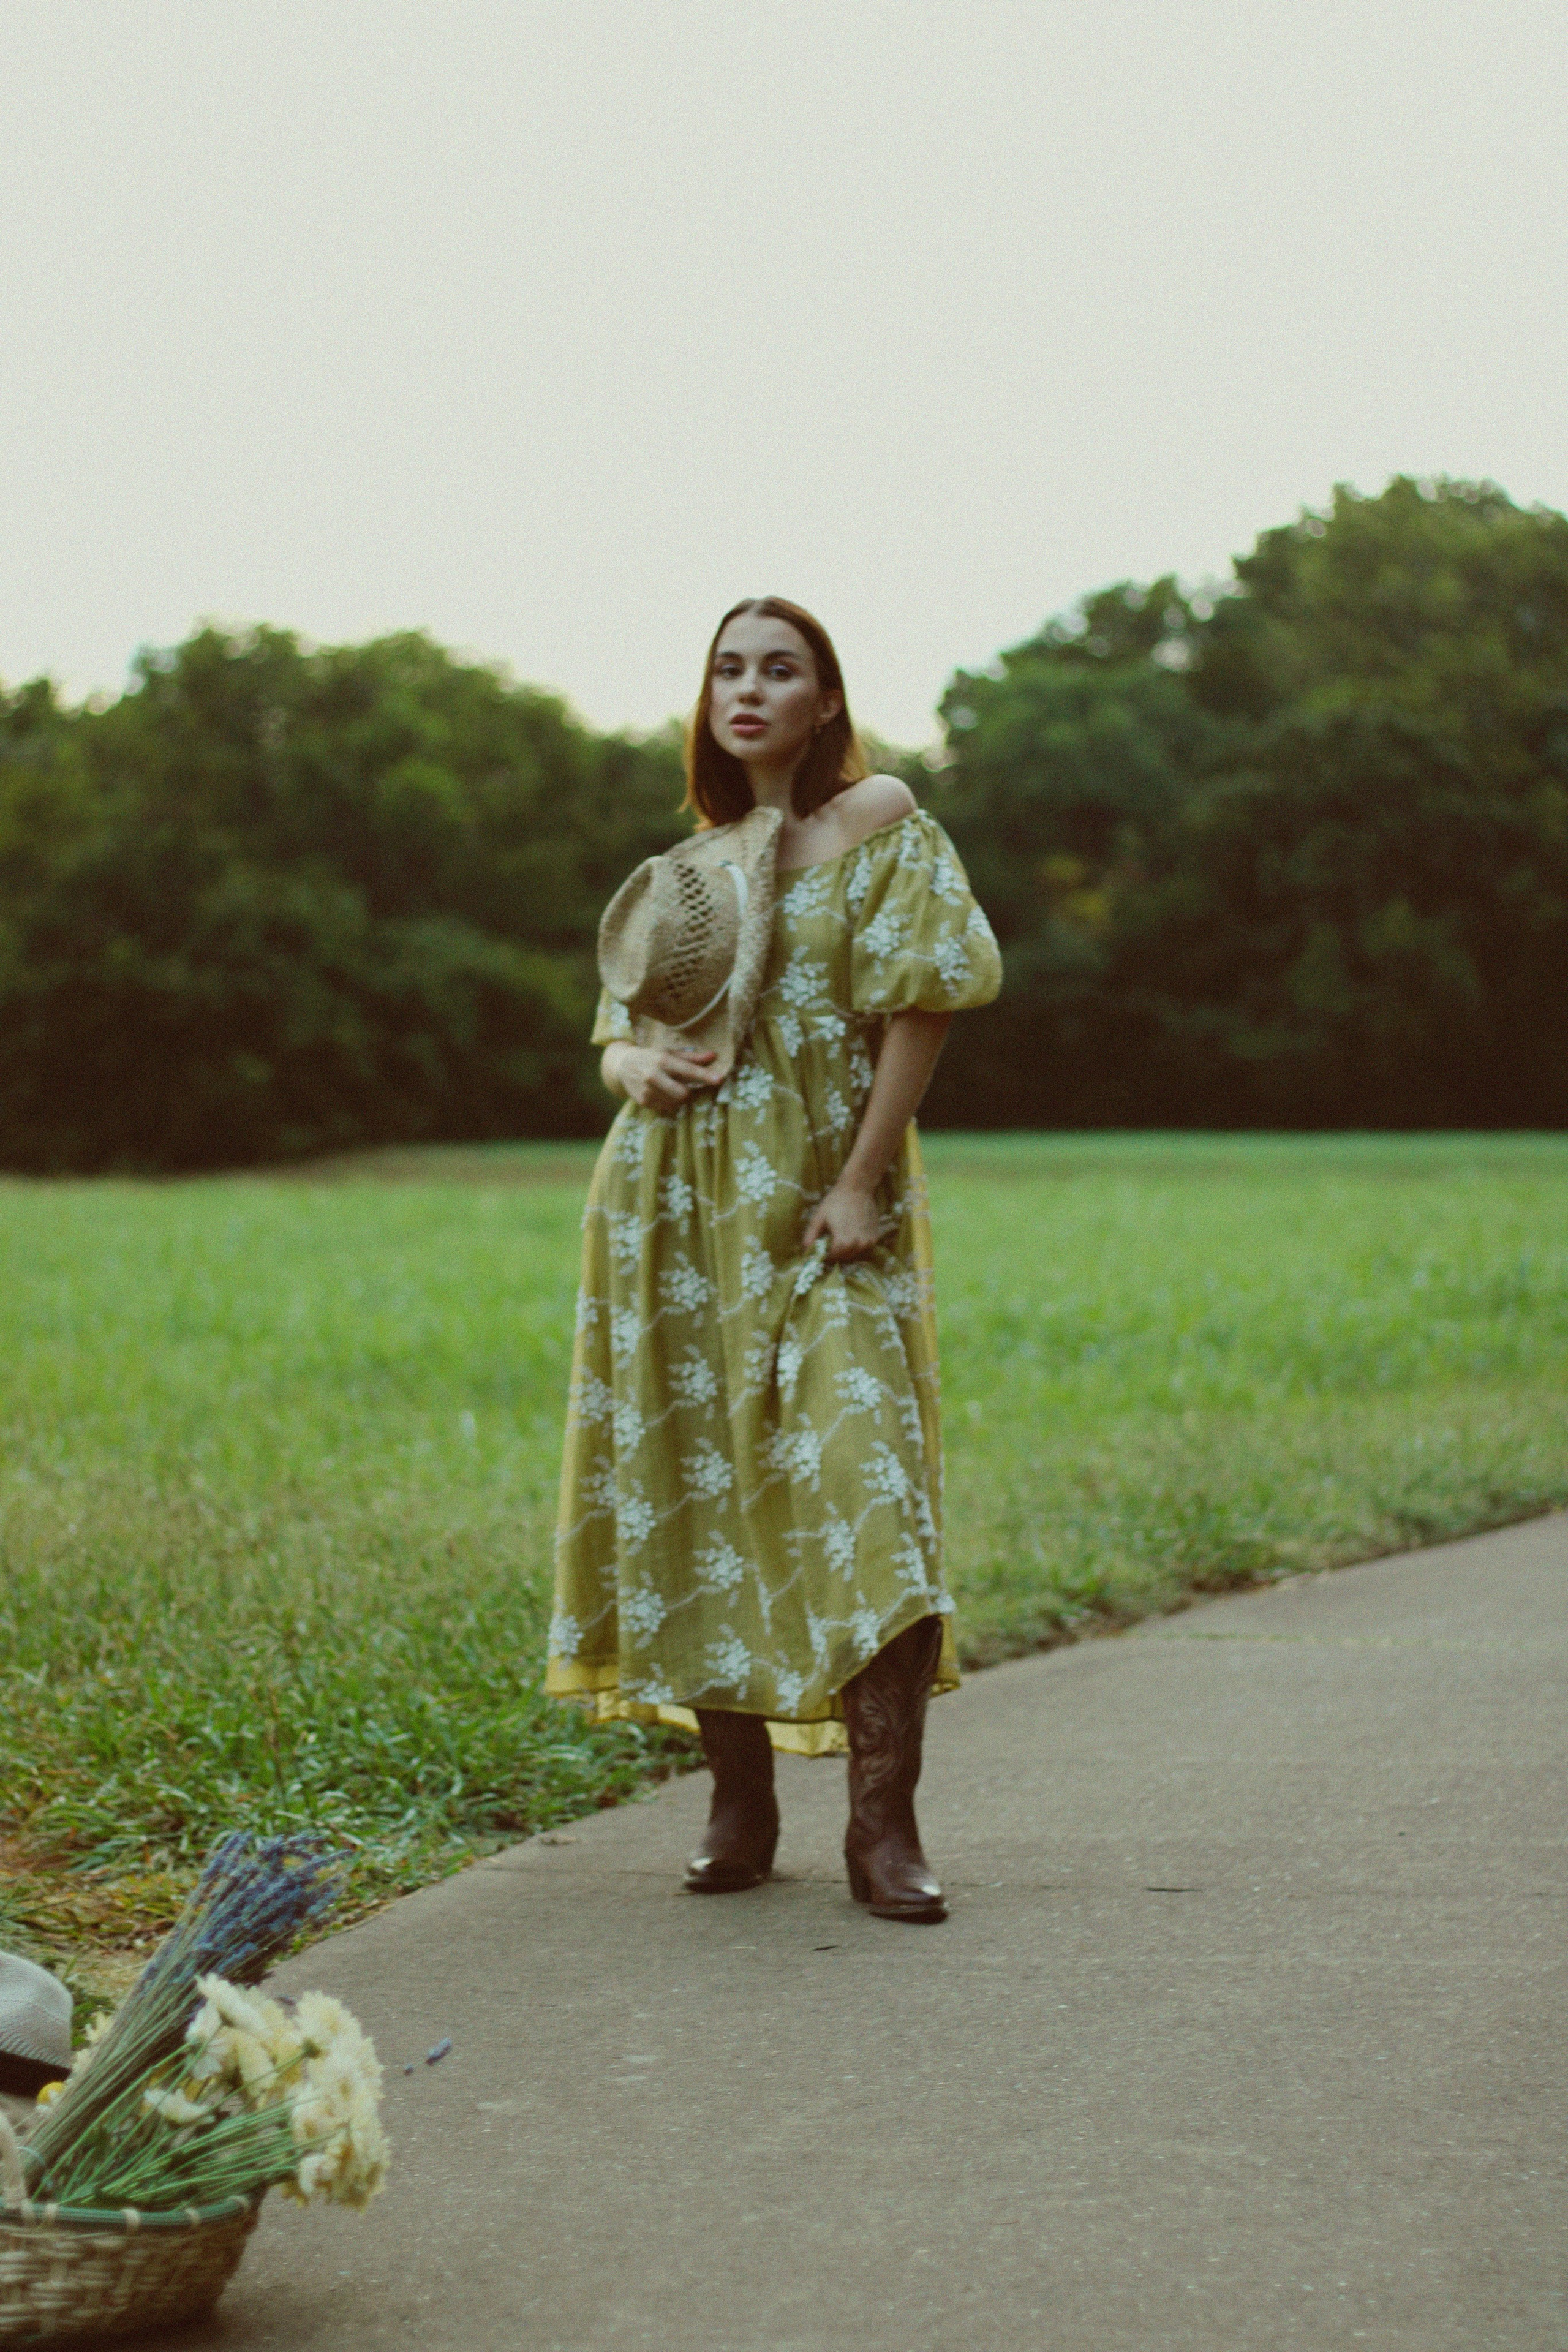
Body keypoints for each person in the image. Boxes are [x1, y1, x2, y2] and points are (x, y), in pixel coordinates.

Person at [546, 597, 1001, 1923]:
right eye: (727, 669)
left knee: (867, 1482)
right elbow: (619, 1032)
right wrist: (631, 1060)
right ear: (707, 703)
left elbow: (921, 1003)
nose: (749, 688)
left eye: (779, 669)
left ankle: (882, 1828)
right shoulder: (686, 870)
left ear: (823, 704)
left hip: (820, 1207)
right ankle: (736, 1803)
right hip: (671, 1211)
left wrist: (860, 1182)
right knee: (692, 1480)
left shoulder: (883, 825)